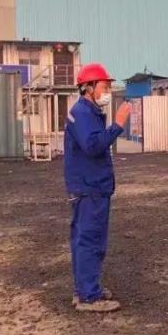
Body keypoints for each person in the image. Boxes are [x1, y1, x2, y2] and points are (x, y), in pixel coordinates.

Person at [64, 63, 131, 312]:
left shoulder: (87, 112)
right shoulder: (82, 113)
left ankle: (85, 289)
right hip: (89, 188)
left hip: (89, 186)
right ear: (88, 87)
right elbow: (93, 146)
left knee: (85, 240)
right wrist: (118, 125)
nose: (108, 92)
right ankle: (89, 296)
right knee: (90, 241)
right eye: (104, 86)